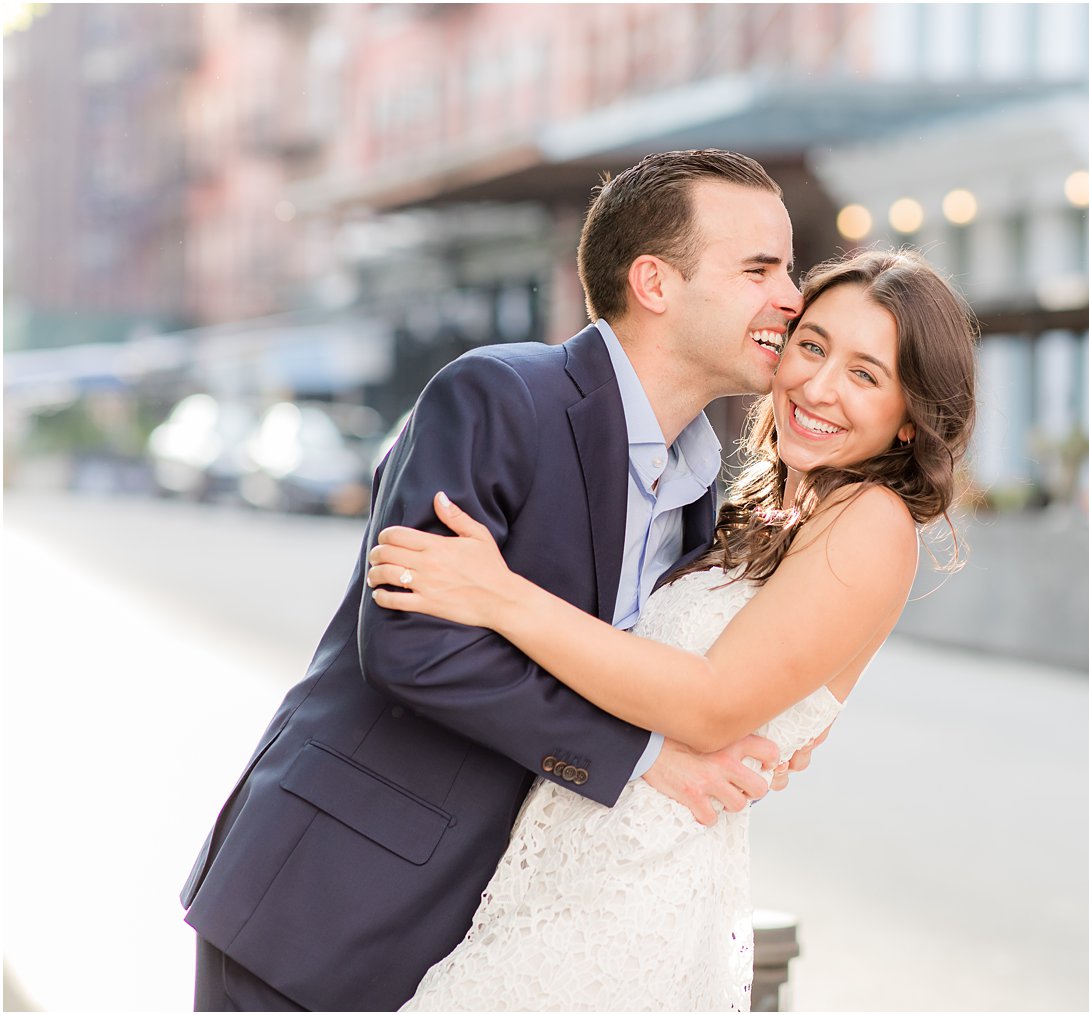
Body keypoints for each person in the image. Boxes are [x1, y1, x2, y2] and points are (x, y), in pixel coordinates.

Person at [180, 149, 812, 1011]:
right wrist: (639, 756)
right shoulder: (497, 395)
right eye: (759, 269)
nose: (791, 296)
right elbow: (412, 644)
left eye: (791, 268)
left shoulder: (697, 490)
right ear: (655, 282)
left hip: (490, 936)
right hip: (329, 903)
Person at [367, 248, 979, 1010]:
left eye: (865, 373)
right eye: (812, 345)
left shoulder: (873, 520)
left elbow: (710, 702)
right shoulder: (770, 510)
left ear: (909, 420)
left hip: (631, 894)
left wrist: (499, 595)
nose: (817, 385)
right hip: (573, 872)